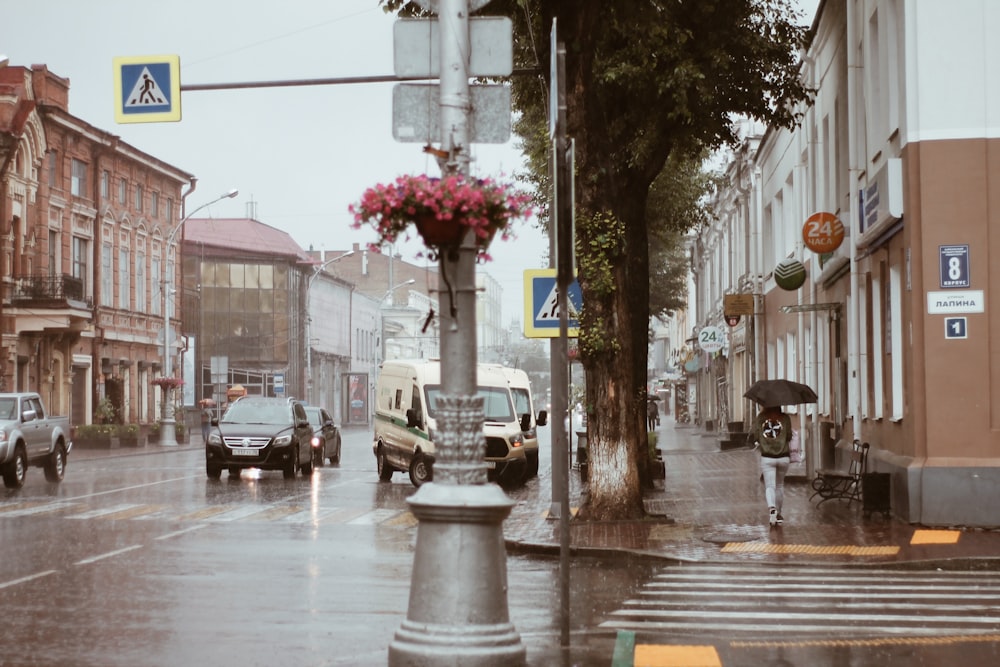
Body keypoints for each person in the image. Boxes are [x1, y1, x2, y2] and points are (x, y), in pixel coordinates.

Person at [751, 405, 792, 526]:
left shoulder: (760, 418)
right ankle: (778, 513)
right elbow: (789, 436)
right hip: (783, 456)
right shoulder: (785, 418)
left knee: (770, 485)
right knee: (779, 485)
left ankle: (772, 509)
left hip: (767, 457)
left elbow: (756, 436)